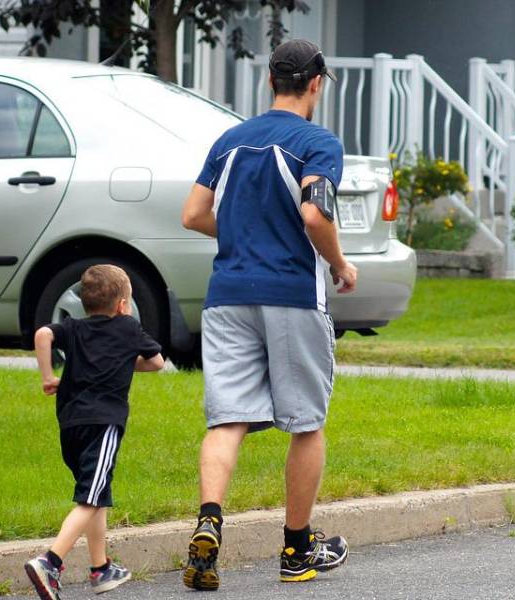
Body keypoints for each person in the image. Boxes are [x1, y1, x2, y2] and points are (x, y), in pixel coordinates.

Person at [179, 38, 358, 590]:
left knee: (227, 418)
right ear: (315, 84)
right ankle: (296, 551)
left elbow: (193, 214)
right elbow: (314, 213)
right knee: (306, 422)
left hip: (228, 295)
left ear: (269, 82)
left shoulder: (230, 140)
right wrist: (341, 264)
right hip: (290, 297)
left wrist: (242, 232)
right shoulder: (318, 143)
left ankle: (209, 521)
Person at [24, 264, 167, 600]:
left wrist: (48, 377)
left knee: (97, 493)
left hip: (70, 424)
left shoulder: (73, 328)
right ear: (121, 305)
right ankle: (51, 561)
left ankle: (100, 568)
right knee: (90, 497)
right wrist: (125, 358)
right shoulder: (128, 328)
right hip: (104, 424)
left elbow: (43, 335)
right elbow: (157, 361)